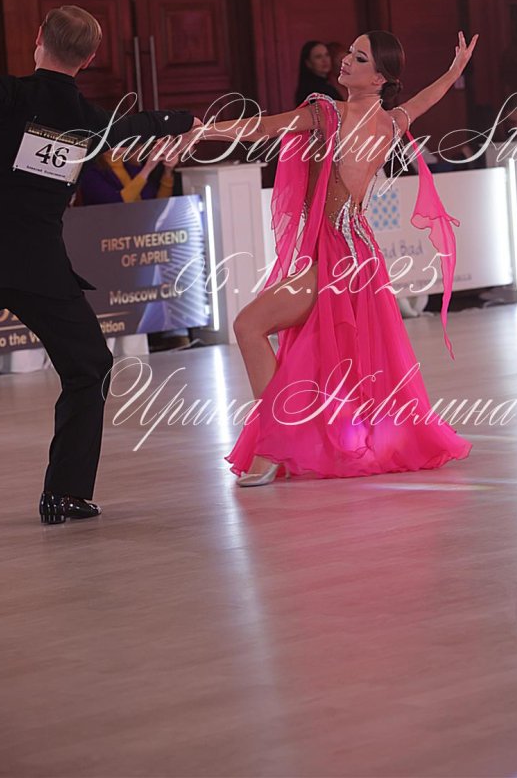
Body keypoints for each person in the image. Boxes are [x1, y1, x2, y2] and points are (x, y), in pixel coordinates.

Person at [196, 29, 478, 486]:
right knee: (316, 352)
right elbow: (426, 99)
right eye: (350, 52)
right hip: (357, 254)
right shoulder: (382, 121)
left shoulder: (330, 114)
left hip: (339, 256)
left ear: (380, 78)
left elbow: (264, 127)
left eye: (360, 58)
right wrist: (453, 71)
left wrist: (202, 130)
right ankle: (285, 443)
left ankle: (272, 447)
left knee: (250, 326)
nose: (346, 60)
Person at [0, 6, 198, 524]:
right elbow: (138, 125)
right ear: (91, 58)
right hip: (40, 270)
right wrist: (184, 119)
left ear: (38, 38)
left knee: (90, 366)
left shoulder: (6, 96)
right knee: (89, 368)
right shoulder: (90, 121)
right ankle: (65, 493)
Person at [294, 40, 342, 105]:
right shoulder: (311, 91)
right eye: (318, 57)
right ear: (308, 63)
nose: (325, 60)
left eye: (327, 55)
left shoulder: (331, 83)